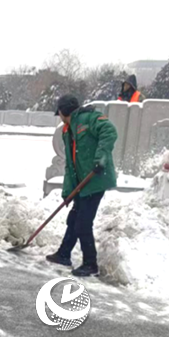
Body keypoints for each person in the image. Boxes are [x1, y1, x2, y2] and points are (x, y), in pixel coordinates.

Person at [46, 95, 117, 277]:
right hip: (81, 184)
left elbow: (109, 131)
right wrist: (68, 191)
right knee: (74, 219)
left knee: (83, 223)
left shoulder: (89, 118)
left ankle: (90, 263)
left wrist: (100, 158)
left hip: (95, 180)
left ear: (62, 112)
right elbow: (71, 165)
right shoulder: (67, 131)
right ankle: (64, 254)